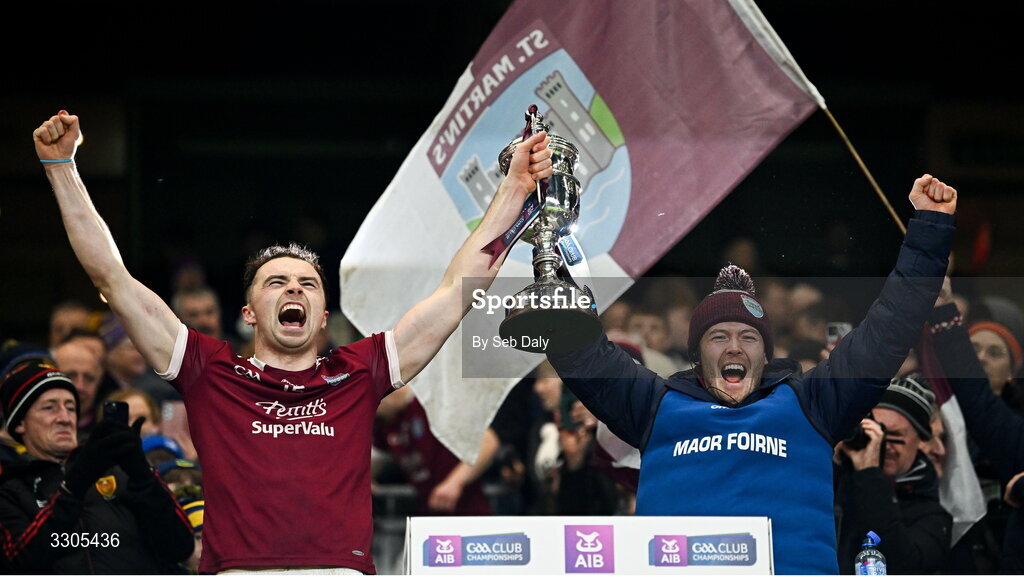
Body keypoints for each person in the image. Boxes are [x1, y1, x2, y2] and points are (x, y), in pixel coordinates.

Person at [34, 109, 552, 573]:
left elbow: (454, 295)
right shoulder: (209, 372)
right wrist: (63, 169)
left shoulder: (358, 371)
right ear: (248, 314)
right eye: (276, 282)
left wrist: (512, 191)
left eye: (307, 284)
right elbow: (111, 279)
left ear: (323, 315)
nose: (294, 289)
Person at [544, 174, 957, 575]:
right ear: (695, 354)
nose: (734, 347)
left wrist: (930, 230)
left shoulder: (814, 401)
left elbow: (890, 328)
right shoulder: (655, 404)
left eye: (749, 337)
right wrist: (546, 245)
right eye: (718, 336)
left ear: (766, 355)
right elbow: (584, 355)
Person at [0, 359, 194, 573]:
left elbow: (181, 546)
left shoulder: (119, 471)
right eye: (49, 408)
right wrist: (75, 484)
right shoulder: (11, 491)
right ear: (20, 423)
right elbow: (19, 563)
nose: (64, 418)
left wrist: (142, 475)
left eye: (71, 408)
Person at [928, 285, 1024, 573]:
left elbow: (978, 402)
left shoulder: (1012, 431)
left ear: (1012, 374)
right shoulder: (936, 417)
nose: (981, 358)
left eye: (995, 353)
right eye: (975, 349)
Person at [834, 375, 952, 574]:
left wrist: (869, 473)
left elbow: (900, 563)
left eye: (895, 436)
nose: (881, 444)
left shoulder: (933, 516)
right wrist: (833, 463)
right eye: (873, 432)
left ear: (920, 441)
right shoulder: (838, 484)